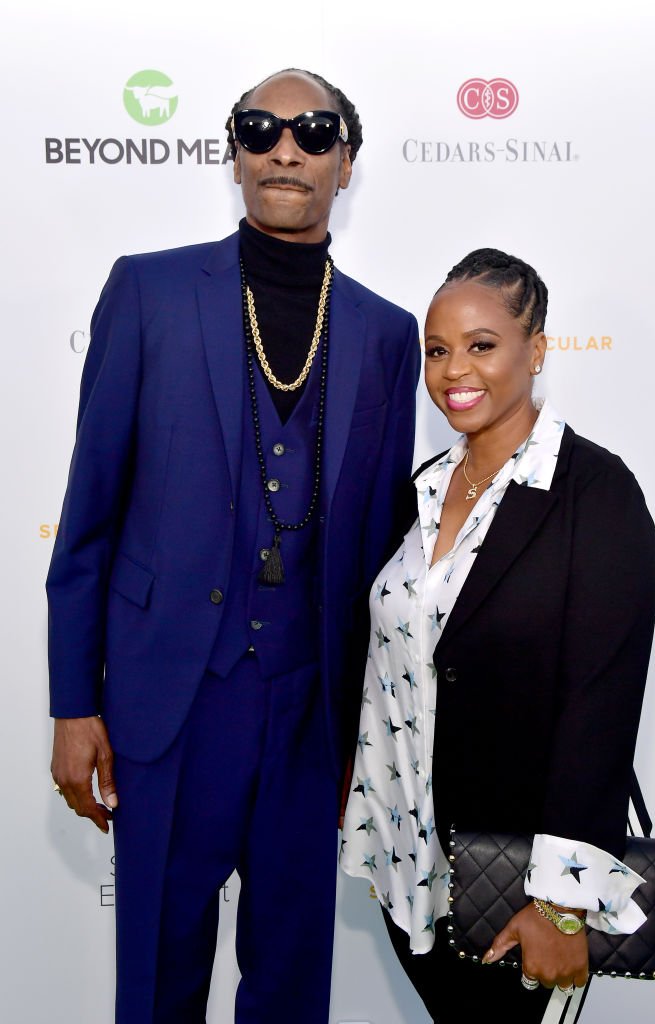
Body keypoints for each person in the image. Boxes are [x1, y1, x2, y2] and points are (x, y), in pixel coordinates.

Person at [47, 68, 420, 1024]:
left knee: (293, 984)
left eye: (311, 130)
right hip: (168, 701)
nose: (283, 147)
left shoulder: (384, 334)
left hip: (310, 715)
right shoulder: (151, 290)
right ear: (235, 153)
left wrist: (368, 734)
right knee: (160, 977)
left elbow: (381, 551)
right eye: (259, 129)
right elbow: (87, 514)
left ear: (346, 160)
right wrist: (72, 705)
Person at [340, 248, 655, 1023]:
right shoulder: (418, 489)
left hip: (514, 882)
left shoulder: (594, 491)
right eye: (438, 349)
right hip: (406, 865)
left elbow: (599, 705)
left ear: (537, 350)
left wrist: (560, 905)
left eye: (481, 345)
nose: (455, 369)